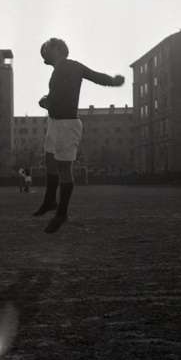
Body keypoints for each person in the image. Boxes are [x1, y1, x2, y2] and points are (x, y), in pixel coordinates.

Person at [32, 37, 125, 233]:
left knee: (64, 168)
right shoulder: (60, 69)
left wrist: (114, 81)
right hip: (55, 122)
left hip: (67, 124)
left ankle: (62, 213)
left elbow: (95, 77)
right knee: (49, 160)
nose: (43, 55)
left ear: (57, 48)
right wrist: (47, 101)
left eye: (45, 49)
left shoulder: (71, 66)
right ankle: (50, 201)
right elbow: (59, 96)